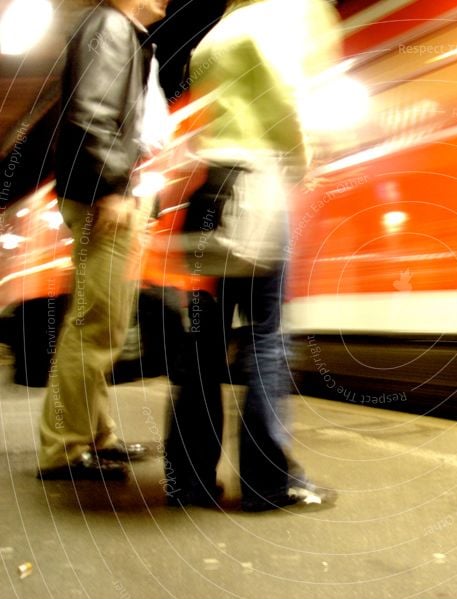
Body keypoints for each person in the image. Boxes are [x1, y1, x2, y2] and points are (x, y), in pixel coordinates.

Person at [164, 0, 341, 511]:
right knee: (266, 336)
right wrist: (301, 160)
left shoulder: (216, 33)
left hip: (211, 191)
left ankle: (189, 479)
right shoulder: (283, 15)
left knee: (204, 340)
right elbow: (283, 93)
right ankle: (267, 480)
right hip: (259, 184)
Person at [36, 0, 170, 481]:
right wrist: (110, 188)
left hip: (109, 193)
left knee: (100, 324)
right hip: (103, 198)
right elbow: (91, 112)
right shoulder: (110, 26)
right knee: (96, 325)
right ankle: (64, 447)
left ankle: (96, 436)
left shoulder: (120, 30)